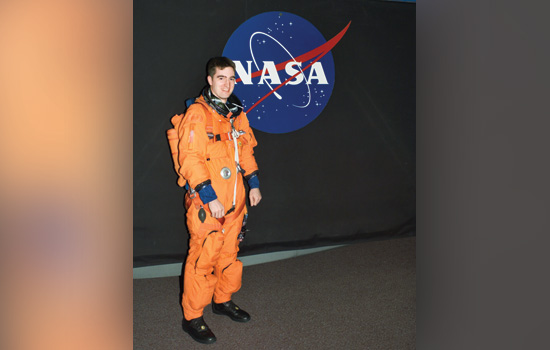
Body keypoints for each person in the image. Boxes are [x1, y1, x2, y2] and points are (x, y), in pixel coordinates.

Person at [172, 57, 262, 344]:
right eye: (221, 77)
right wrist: (209, 198)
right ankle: (192, 317)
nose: (227, 83)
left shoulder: (236, 113)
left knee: (229, 255)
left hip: (235, 202)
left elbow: (245, 149)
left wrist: (254, 183)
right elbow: (190, 159)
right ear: (210, 80)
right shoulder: (199, 114)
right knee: (203, 259)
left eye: (232, 78)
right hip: (209, 204)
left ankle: (222, 301)